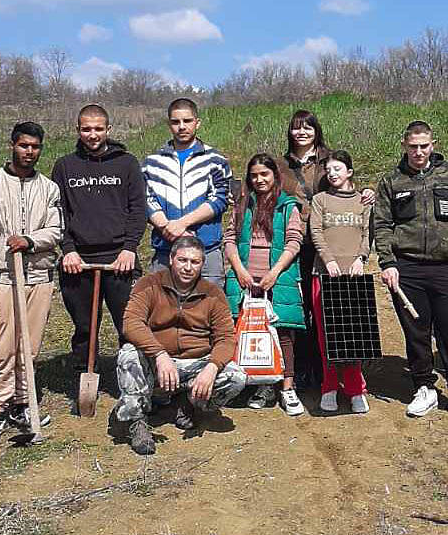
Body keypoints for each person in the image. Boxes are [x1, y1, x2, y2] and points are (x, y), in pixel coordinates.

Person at [373, 120, 448, 421]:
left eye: (424, 146)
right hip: (407, 268)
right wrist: (387, 263)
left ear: (432, 145)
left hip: (446, 266)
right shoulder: (391, 181)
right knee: (416, 332)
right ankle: (424, 387)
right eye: (413, 147)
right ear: (404, 145)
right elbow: (382, 224)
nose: (419, 152)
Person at [0, 122, 63, 445]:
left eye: (35, 147)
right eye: (24, 146)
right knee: (4, 345)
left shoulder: (48, 188)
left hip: (38, 277)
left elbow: (56, 230)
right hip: (3, 278)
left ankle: (23, 403)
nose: (29, 152)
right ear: (12, 145)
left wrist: (30, 241)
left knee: (30, 347)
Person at [113, 235, 248, 455]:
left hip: (195, 362)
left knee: (236, 377)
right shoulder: (150, 285)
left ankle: (188, 405)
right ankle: (137, 422)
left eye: (194, 262)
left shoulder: (213, 294)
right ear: (171, 259)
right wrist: (159, 354)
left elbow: (225, 338)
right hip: (157, 362)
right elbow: (131, 324)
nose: (188, 267)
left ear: (202, 264)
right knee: (128, 354)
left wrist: (212, 367)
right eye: (182, 260)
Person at [51, 103, 147, 379]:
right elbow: (58, 213)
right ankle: (85, 373)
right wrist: (68, 250)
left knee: (128, 323)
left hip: (119, 258)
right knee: (85, 325)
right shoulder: (65, 166)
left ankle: (132, 378)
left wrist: (129, 248)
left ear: (108, 130)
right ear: (77, 130)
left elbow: (137, 210)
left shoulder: (126, 163)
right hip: (78, 261)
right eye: (86, 129)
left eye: (97, 129)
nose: (92, 135)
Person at [280, 110, 375, 389]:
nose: (302, 133)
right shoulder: (281, 164)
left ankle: (341, 371)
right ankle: (304, 367)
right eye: (297, 128)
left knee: (333, 311)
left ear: (316, 131)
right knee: (300, 308)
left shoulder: (329, 160)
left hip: (330, 249)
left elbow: (350, 189)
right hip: (295, 242)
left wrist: (367, 192)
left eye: (308, 128)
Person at [224, 153, 307, 416]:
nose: (259, 180)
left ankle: (287, 387)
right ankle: (258, 386)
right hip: (244, 278)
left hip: (278, 277)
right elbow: (229, 239)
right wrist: (239, 270)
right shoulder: (242, 205)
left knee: (282, 333)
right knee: (245, 333)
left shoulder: (287, 206)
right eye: (254, 175)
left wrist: (274, 272)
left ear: (275, 176)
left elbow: (294, 241)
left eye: (265, 174)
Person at [308, 150, 373, 414]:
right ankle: (330, 386)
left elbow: (368, 233)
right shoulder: (320, 199)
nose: (333, 174)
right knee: (327, 337)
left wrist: (361, 258)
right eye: (329, 170)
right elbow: (315, 230)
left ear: (349, 172)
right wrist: (328, 260)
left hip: (354, 275)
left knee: (354, 337)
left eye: (338, 168)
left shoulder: (363, 201)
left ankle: (356, 388)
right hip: (325, 275)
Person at [143, 98, 233, 287]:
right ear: (169, 124)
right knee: (161, 313)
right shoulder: (152, 163)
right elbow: (146, 199)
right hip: (165, 252)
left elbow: (220, 198)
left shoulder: (215, 160)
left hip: (207, 251)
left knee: (208, 312)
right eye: (176, 122)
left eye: (187, 121)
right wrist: (168, 227)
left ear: (197, 123)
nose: (181, 127)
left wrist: (183, 223)